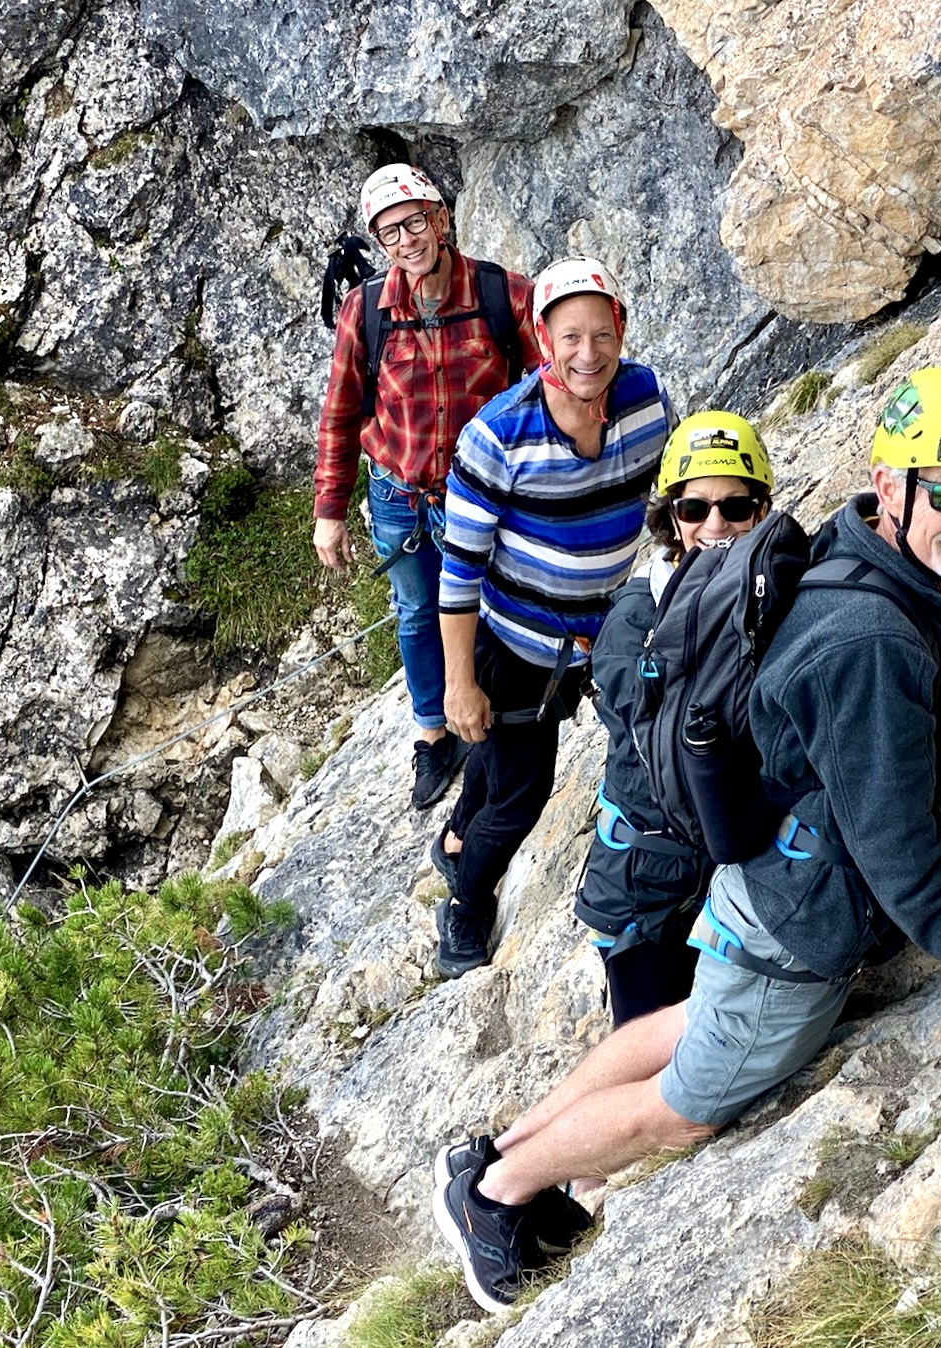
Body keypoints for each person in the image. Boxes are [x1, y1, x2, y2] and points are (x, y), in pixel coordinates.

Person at [431, 367, 941, 1312]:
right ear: (892, 483)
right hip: (796, 928)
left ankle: (495, 1152)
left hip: (760, 885)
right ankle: (499, 1195)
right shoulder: (871, 643)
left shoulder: (892, 547)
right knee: (686, 1107)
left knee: (691, 1024)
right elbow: (898, 861)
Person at [432, 257, 672, 980]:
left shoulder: (647, 397)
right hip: (513, 646)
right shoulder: (497, 435)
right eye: (570, 337)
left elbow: (668, 486)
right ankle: (467, 901)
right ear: (542, 339)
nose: (588, 354)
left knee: (500, 763)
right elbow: (459, 574)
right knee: (522, 794)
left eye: (601, 334)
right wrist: (458, 685)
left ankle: (455, 834)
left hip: (592, 638)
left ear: (621, 330)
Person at [313, 164, 540, 811]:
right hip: (399, 494)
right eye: (389, 232)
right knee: (416, 613)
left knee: (492, 605)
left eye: (415, 221)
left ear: (441, 220)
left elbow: (550, 379)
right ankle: (433, 734)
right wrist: (330, 510)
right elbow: (341, 411)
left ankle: (490, 714)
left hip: (483, 494)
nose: (406, 239)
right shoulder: (367, 311)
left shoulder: (503, 294)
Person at [577, 412, 776, 1027]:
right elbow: (646, 727)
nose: (715, 526)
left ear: (760, 513)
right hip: (649, 889)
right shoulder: (637, 616)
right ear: (671, 517)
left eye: (736, 508)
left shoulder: (766, 590)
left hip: (733, 869)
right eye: (694, 510)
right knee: (652, 1051)